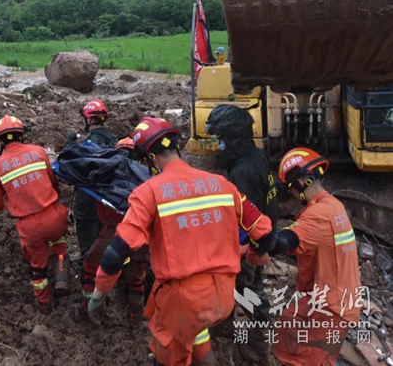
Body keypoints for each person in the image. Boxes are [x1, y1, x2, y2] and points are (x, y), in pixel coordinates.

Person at [88, 117, 276, 366]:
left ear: (150, 159)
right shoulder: (221, 184)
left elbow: (115, 254)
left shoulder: (149, 193)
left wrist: (98, 295)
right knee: (196, 330)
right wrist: (255, 254)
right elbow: (264, 230)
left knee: (167, 354)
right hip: (223, 298)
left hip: (183, 302)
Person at [266, 147, 361, 366]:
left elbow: (282, 242)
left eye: (289, 188)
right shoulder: (334, 206)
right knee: (289, 323)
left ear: (300, 183)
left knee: (305, 360)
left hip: (330, 307)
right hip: (333, 298)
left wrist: (257, 237)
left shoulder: (317, 215)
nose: (290, 194)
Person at [206, 104, 279, 358]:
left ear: (232, 137)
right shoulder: (255, 156)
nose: (218, 143)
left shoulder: (243, 171)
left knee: (247, 291)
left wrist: (245, 251)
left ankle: (259, 345)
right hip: (259, 239)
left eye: (221, 138)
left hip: (250, 245)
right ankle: (226, 329)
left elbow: (246, 216)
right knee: (238, 287)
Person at [0, 115, 70, 316]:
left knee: (37, 267)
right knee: (59, 241)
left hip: (29, 227)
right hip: (53, 215)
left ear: (0, 140)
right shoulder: (38, 152)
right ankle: (61, 271)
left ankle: (45, 306)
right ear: (22, 135)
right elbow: (52, 182)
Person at [80, 137, 149, 325]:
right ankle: (135, 320)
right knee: (136, 278)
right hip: (140, 235)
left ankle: (91, 311)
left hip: (112, 233)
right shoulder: (146, 179)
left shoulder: (106, 175)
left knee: (91, 268)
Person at [66, 100, 118, 263]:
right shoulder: (115, 141)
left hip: (87, 194)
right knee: (105, 228)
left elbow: (69, 163)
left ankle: (87, 261)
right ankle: (106, 256)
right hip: (110, 194)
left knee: (86, 225)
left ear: (88, 119)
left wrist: (69, 142)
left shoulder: (85, 144)